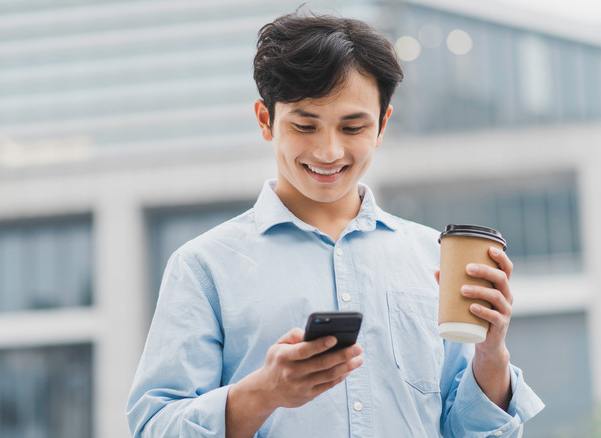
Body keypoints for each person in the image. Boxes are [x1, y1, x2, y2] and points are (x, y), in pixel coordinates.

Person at [126, 10, 544, 438]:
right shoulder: (203, 267)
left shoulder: (430, 258)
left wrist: (491, 354)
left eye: (353, 127)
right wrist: (263, 394)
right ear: (265, 120)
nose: (328, 151)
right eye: (305, 125)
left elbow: (474, 432)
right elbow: (153, 427)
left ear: (382, 125)